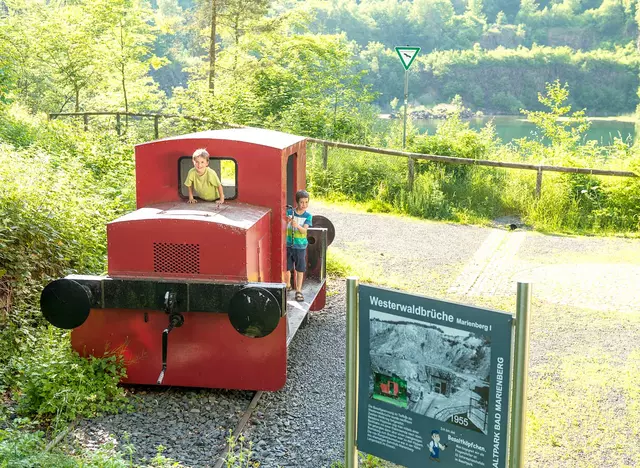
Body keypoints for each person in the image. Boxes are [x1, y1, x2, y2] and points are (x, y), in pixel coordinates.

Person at [285, 190, 312, 302]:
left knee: (300, 269)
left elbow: (304, 231)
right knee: (287, 267)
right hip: (289, 244)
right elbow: (284, 222)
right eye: (301, 202)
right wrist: (287, 220)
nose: (304, 205)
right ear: (297, 202)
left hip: (300, 247)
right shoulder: (290, 212)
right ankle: (287, 285)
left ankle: (299, 290)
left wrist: (297, 226)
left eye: (306, 202)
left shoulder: (308, 216)